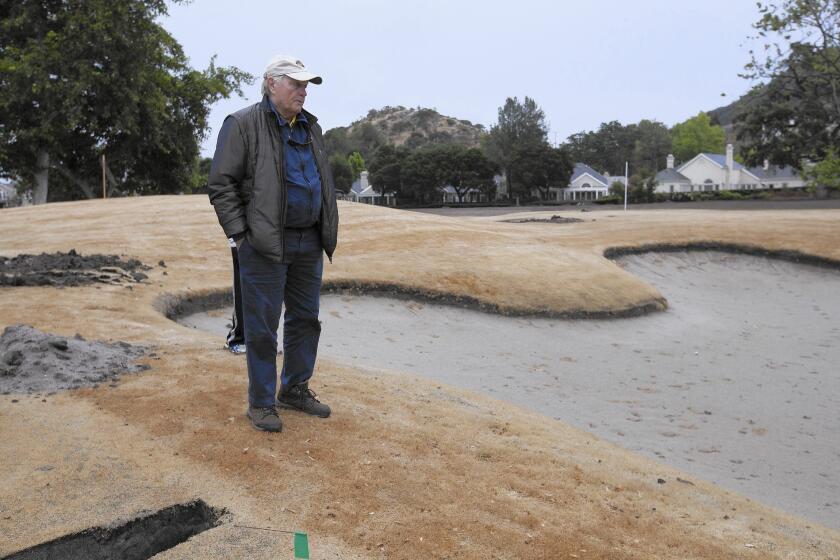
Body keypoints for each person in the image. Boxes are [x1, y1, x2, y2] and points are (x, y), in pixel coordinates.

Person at [208, 55, 339, 433]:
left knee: (305, 320)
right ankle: (262, 402)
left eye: (306, 85)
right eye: (295, 83)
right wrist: (241, 234)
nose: (303, 91)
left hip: (308, 241)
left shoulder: (311, 129)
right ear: (271, 83)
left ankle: (295, 388)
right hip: (264, 244)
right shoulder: (242, 124)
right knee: (263, 328)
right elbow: (221, 184)